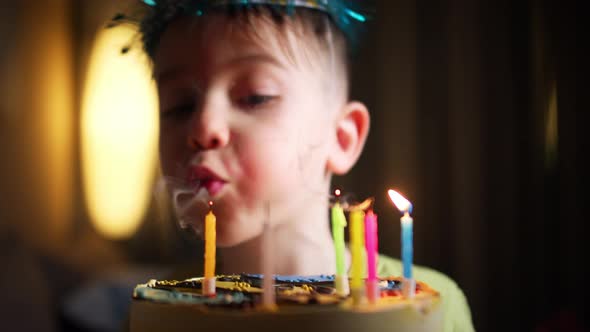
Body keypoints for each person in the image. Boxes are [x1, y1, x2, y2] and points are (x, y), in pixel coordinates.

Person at [128, 1, 474, 331]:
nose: (203, 128)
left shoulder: (428, 305)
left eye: (255, 97)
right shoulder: (162, 310)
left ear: (341, 139)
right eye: (179, 105)